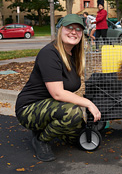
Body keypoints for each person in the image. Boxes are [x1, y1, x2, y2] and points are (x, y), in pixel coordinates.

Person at [15, 14, 101, 162]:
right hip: (29, 108)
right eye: (69, 27)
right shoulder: (49, 53)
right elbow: (58, 93)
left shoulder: (74, 54)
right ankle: (41, 140)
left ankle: (46, 128)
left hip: (50, 106)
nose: (74, 32)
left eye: (79, 29)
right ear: (60, 30)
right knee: (72, 113)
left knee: (78, 132)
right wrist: (88, 103)